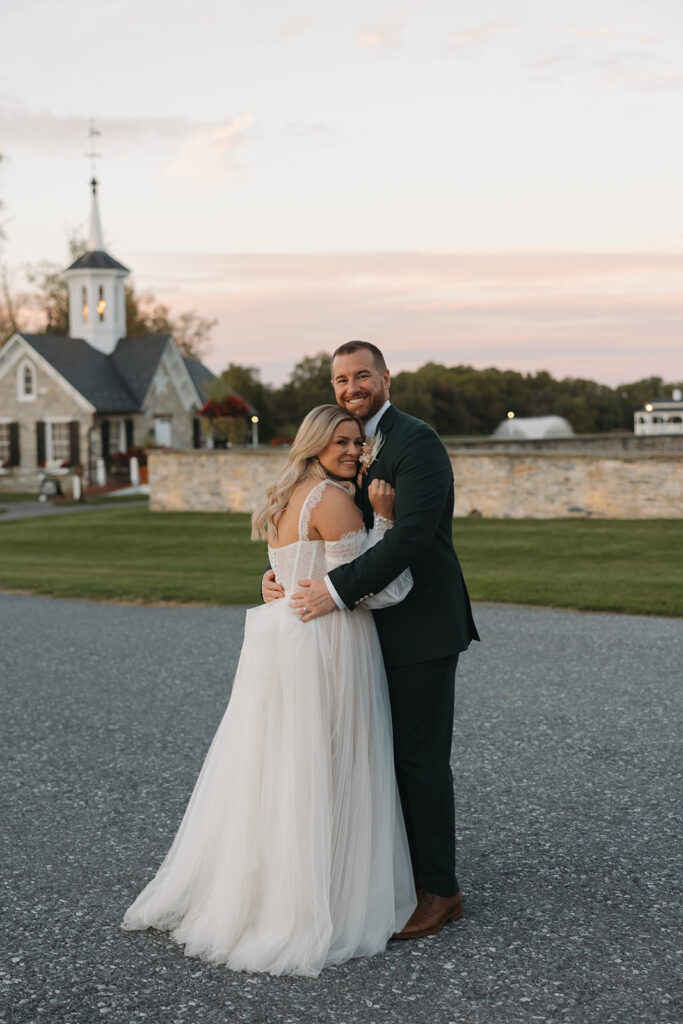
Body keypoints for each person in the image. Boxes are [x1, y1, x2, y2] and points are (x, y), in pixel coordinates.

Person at [121, 404, 416, 977]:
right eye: (342, 443)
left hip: (285, 640)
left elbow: (288, 570)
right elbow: (382, 590)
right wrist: (386, 522)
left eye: (359, 442)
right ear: (314, 445)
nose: (354, 451)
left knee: (283, 767)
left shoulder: (286, 496)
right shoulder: (332, 500)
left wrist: (275, 580)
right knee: (330, 760)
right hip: (328, 638)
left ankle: (275, 891)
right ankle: (323, 897)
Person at [263, 341, 479, 940]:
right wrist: (281, 575)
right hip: (365, 628)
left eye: (363, 376)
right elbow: (322, 526)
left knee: (418, 759)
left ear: (386, 378)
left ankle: (441, 891)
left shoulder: (418, 443)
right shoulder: (347, 443)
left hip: (421, 626)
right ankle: (396, 874)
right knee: (371, 754)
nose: (351, 387)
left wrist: (328, 592)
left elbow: (409, 540)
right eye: (341, 379)